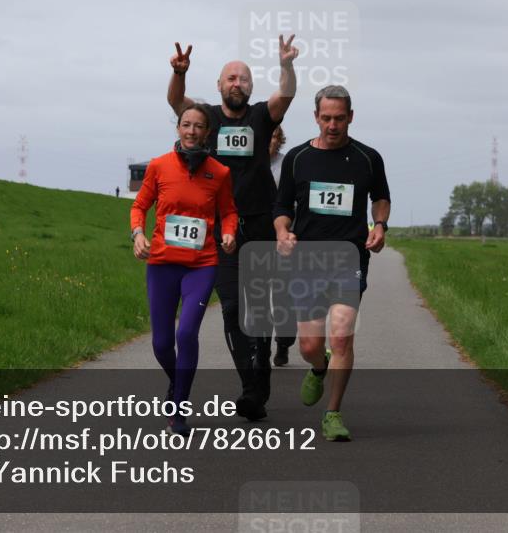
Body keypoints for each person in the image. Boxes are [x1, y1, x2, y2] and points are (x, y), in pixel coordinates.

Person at [167, 38, 298, 421]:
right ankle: (251, 388)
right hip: (218, 228)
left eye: (243, 78)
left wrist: (286, 65)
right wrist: (178, 72)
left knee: (256, 310)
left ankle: (258, 385)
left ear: (251, 87)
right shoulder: (206, 117)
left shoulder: (261, 116)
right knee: (232, 309)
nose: (236, 83)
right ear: (220, 85)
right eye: (230, 78)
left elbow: (286, 96)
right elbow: (177, 103)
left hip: (258, 225)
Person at [274, 85, 391, 441]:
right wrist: (282, 232)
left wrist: (381, 225)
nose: (333, 125)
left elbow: (381, 197)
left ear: (350, 117)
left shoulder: (368, 158)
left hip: (348, 258)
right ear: (315, 118)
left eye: (340, 118)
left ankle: (333, 413)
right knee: (309, 346)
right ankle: (318, 367)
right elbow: (282, 209)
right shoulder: (296, 159)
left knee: (341, 336)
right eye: (326, 118)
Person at [131, 103, 238, 436]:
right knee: (162, 344)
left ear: (208, 132)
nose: (191, 131)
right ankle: (178, 382)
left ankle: (178, 410)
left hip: (201, 265)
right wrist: (138, 234)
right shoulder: (159, 167)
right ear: (178, 128)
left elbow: (229, 212)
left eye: (198, 126)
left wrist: (229, 231)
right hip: (162, 264)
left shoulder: (219, 172)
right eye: (186, 124)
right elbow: (139, 206)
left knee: (186, 333)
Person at [268, 126, 297, 367]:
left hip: (283, 237)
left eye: (275, 137)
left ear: (280, 141)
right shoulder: (248, 164)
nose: (270, 141)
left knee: (282, 295)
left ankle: (284, 342)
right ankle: (259, 346)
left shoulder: (287, 164)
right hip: (254, 235)